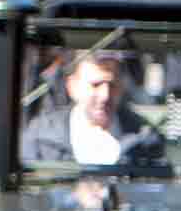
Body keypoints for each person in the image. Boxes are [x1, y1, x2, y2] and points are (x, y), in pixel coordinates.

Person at [21, 51, 166, 168]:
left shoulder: (146, 138)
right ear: (72, 87)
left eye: (112, 85)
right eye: (95, 85)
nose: (105, 95)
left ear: (122, 87)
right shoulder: (41, 136)